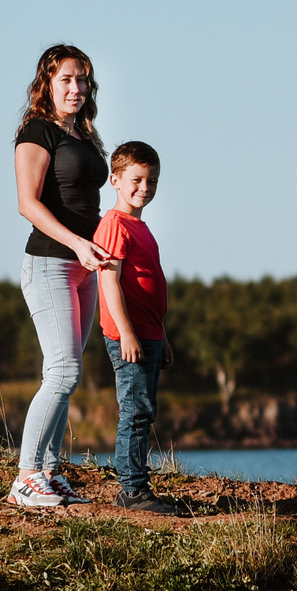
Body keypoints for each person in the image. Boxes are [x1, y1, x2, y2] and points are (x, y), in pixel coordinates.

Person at [10, 44, 115, 510]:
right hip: (50, 261)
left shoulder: (84, 135)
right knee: (63, 371)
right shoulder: (37, 131)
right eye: (66, 80)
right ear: (47, 84)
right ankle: (25, 477)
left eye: (82, 80)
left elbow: (85, 202)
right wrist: (76, 243)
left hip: (85, 267)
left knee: (66, 373)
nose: (76, 88)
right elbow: (27, 203)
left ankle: (50, 474)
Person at [94, 141, 179, 514]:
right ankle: (132, 490)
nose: (145, 188)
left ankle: (136, 485)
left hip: (150, 334)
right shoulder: (114, 224)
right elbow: (109, 283)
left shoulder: (140, 226)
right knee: (134, 411)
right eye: (137, 180)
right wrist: (126, 333)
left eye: (152, 181)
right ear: (115, 179)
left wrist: (163, 336)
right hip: (129, 337)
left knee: (144, 410)